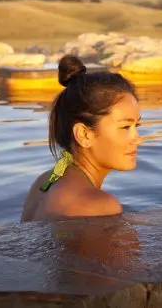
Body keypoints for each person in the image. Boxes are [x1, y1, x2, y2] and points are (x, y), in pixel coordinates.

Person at [22, 55, 142, 222]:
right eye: (125, 127)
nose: (137, 139)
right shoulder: (100, 206)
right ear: (84, 134)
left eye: (137, 126)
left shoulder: (44, 183)